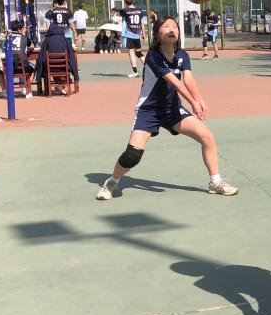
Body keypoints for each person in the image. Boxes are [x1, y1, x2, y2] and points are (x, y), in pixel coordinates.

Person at [96, 16, 238, 201]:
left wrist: (200, 99)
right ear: (157, 34)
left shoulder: (182, 55)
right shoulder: (153, 56)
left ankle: (215, 183)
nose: (172, 29)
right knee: (133, 155)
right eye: (166, 26)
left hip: (172, 109)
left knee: (207, 137)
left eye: (175, 27)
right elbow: (174, 82)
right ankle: (112, 182)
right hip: (149, 110)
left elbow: (188, 79)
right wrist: (193, 102)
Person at [0, 19, 38, 97]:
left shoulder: (6, 38)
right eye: (23, 28)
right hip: (23, 66)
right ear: (19, 29)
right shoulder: (24, 37)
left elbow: (2, 50)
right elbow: (32, 47)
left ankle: (5, 91)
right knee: (33, 68)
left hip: (8, 66)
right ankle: (26, 88)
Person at [120, 0, 146, 76]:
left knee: (131, 53)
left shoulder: (124, 10)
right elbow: (142, 22)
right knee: (138, 52)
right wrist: (143, 33)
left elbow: (120, 17)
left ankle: (135, 72)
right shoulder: (139, 11)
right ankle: (150, 67)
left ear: (125, 2)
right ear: (133, 1)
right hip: (137, 34)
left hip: (129, 34)